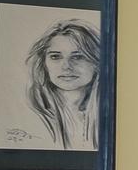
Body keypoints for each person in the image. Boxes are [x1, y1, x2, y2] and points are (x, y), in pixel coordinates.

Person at [24, 19, 101, 150]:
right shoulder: (31, 114)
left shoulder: (108, 114)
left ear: (97, 62)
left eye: (78, 57)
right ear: (43, 63)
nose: (66, 66)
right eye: (55, 57)